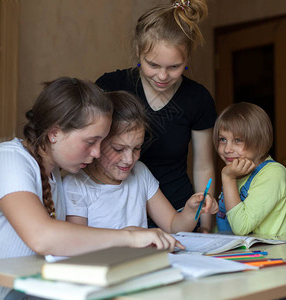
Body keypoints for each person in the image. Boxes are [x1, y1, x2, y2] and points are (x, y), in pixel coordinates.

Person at [0, 78, 183, 300]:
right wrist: (129, 237)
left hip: (22, 292)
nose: (97, 153)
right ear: (54, 133)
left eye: (101, 142)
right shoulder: (7, 161)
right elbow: (43, 237)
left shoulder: (54, 174)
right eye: (90, 142)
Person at [95, 0, 217, 232]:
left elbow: (203, 166)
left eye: (174, 67)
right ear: (138, 52)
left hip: (178, 212)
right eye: (152, 65)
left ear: (187, 59)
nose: (162, 76)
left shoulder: (197, 98)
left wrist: (205, 226)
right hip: (119, 209)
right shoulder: (111, 86)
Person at [64, 90, 218, 233]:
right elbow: (77, 241)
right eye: (118, 149)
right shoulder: (75, 185)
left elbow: (173, 225)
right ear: (98, 142)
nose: (129, 160)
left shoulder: (140, 172)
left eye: (137, 148)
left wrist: (191, 210)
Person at [214, 102, 286, 236]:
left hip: (269, 255)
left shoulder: (273, 173)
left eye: (238, 140)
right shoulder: (235, 172)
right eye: (222, 139)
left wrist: (228, 179)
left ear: (260, 141)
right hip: (235, 253)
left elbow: (241, 228)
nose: (227, 149)